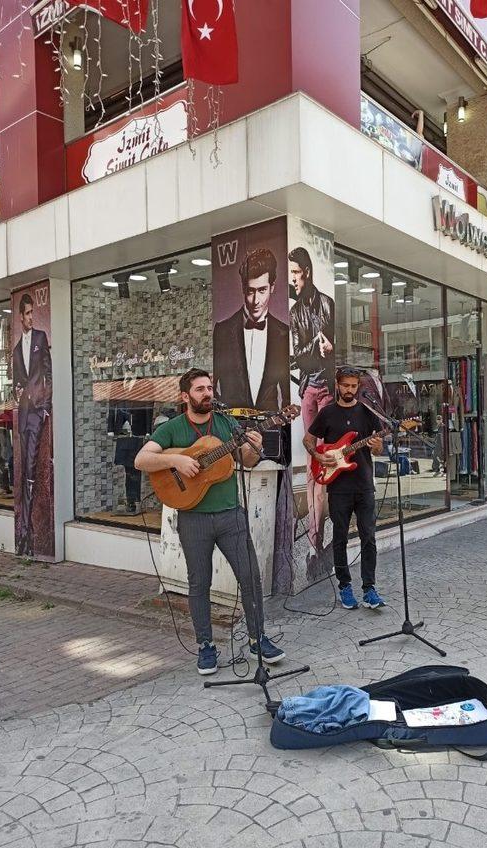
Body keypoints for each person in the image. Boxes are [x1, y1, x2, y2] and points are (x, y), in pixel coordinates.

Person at [134, 368, 286, 675]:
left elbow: (246, 460)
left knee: (250, 578)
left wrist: (253, 446)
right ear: (185, 396)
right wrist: (175, 459)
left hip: (231, 514)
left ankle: (258, 638)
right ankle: (205, 646)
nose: (207, 393)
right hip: (194, 518)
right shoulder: (172, 429)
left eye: (208, 388)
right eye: (200, 389)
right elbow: (141, 460)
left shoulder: (226, 423)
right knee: (199, 583)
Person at [303, 366, 386, 610]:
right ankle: (344, 586)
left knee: (368, 537)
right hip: (338, 486)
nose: (350, 390)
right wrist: (318, 456)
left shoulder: (367, 412)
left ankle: (369, 588)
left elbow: (378, 449)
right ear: (337, 385)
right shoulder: (327, 413)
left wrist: (377, 445)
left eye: (354, 386)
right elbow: (308, 440)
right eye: (346, 385)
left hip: (363, 484)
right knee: (339, 537)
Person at [289, 246, 335, 564]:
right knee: (312, 466)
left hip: (329, 392)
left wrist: (327, 348)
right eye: (290, 273)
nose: (292, 279)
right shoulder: (294, 314)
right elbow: (297, 357)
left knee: (330, 463)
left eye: (294, 273)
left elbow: (330, 350)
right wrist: (315, 345)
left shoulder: (328, 305)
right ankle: (314, 542)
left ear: (305, 271)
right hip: (308, 392)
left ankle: (325, 533)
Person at [213, 248, 290, 412]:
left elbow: (286, 389)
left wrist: (283, 422)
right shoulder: (223, 331)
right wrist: (221, 413)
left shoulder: (284, 333)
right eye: (250, 291)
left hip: (269, 425)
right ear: (243, 288)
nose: (256, 300)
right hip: (231, 424)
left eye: (262, 290)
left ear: (272, 287)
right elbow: (212, 383)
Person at [12, 292, 52, 556]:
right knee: (25, 468)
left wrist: (46, 406)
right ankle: (24, 532)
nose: (30, 317)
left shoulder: (40, 338)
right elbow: (16, 382)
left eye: (32, 313)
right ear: (20, 316)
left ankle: (29, 532)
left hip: (38, 411)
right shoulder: (16, 350)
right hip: (24, 414)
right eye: (26, 313)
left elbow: (49, 372)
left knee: (33, 471)